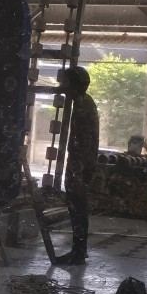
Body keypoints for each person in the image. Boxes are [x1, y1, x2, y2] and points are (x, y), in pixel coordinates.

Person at [54, 66, 99, 266]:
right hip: (81, 164)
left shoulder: (82, 105)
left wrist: (79, 170)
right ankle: (79, 250)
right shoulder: (84, 102)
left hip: (80, 165)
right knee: (78, 208)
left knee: (77, 208)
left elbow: (84, 141)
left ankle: (78, 252)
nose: (63, 87)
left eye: (66, 83)